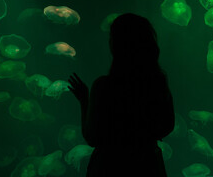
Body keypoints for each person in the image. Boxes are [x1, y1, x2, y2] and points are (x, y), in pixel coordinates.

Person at [68, 13, 175, 177]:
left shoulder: (104, 86)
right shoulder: (157, 83)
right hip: (147, 166)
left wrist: (84, 100)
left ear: (116, 44)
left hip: (110, 166)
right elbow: (167, 126)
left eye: (112, 37)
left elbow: (92, 138)